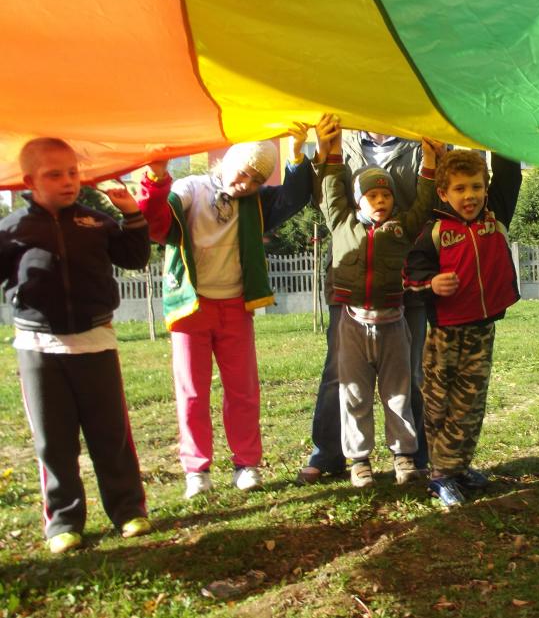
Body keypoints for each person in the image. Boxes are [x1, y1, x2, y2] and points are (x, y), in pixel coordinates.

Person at [137, 126, 313, 498]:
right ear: (228, 162)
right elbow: (157, 224)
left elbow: (294, 197)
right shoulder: (191, 189)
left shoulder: (255, 202)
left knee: (243, 390)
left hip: (235, 306)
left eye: (257, 180)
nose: (246, 184)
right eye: (244, 173)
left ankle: (246, 464)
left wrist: (297, 155)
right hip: (191, 307)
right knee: (192, 392)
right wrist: (156, 179)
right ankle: (196, 470)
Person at [0, 138, 152, 553]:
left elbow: (135, 257)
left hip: (95, 343)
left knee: (110, 434)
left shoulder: (95, 222)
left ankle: (128, 510)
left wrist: (131, 214)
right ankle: (64, 522)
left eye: (73, 172)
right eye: (55, 175)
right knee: (54, 441)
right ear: (29, 181)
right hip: (38, 347)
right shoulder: (12, 230)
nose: (68, 181)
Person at [298, 130, 438, 483]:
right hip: (352, 316)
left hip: (395, 314)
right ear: (358, 201)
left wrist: (431, 162)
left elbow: (424, 203)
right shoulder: (344, 222)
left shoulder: (400, 228)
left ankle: (408, 455)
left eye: (384, 195)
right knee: (349, 388)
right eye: (371, 196)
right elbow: (330, 193)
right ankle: (353, 458)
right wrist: (329, 153)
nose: (379, 201)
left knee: (402, 387)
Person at [403, 150, 522, 506]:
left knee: (470, 405)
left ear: (486, 189)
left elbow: (509, 172)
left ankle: (451, 470)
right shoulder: (434, 229)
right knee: (439, 405)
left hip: (481, 332)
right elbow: (411, 271)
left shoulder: (495, 215)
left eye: (476, 187)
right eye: (459, 189)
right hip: (445, 333)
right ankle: (442, 472)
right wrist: (432, 283)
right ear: (443, 193)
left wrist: (494, 133)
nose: (469, 195)